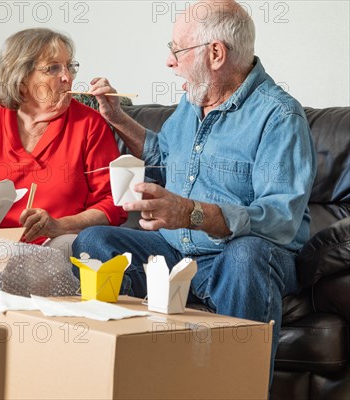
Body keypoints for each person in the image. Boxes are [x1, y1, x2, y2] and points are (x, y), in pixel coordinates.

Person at [72, 0, 316, 380]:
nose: (170, 61)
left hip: (237, 260)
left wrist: (192, 213)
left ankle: (237, 386)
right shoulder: (192, 103)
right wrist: (117, 118)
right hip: (175, 253)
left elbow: (281, 220)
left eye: (177, 50)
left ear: (216, 53)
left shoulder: (279, 116)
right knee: (95, 241)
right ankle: (128, 377)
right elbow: (163, 155)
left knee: (246, 256)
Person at [0, 28, 127, 247]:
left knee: (65, 245)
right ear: (21, 78)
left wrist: (59, 225)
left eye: (70, 66)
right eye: (53, 68)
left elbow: (114, 203)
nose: (67, 77)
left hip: (57, 242)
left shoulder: (89, 124)